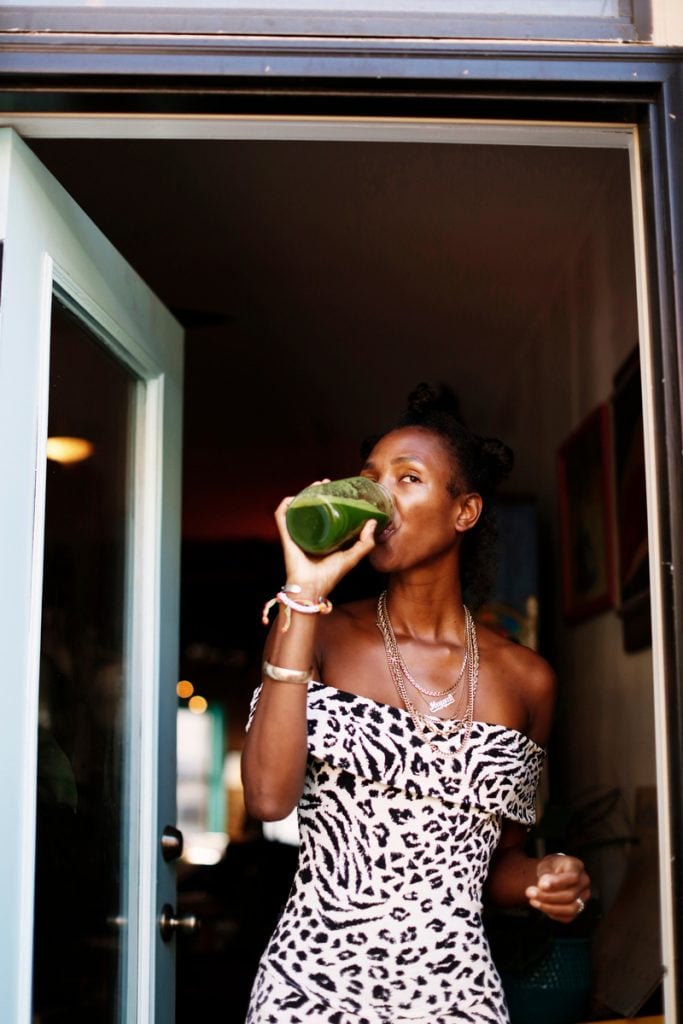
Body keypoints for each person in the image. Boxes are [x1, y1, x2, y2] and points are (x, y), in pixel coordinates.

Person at [241, 383, 590, 1024]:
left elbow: (498, 864)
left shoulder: (527, 679)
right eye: (371, 478)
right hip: (311, 988)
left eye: (408, 479)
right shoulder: (315, 630)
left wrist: (548, 877)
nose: (381, 496)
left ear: (465, 512)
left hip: (458, 996)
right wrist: (301, 591)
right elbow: (267, 798)